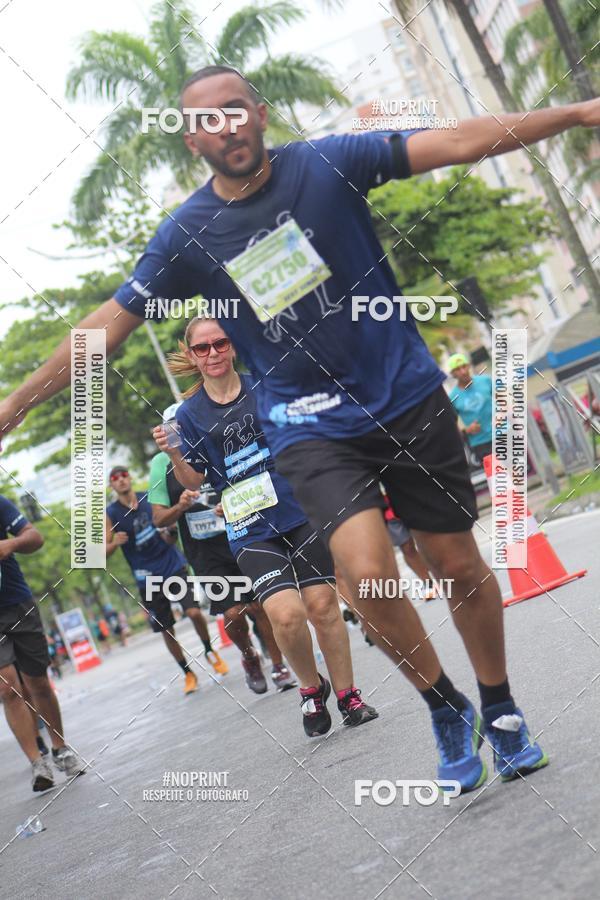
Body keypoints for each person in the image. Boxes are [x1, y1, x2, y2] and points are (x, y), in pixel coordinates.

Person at [5, 69, 597, 787]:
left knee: (459, 564)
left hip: (404, 395)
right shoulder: (186, 233)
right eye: (207, 120)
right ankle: (444, 704)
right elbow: (104, 329)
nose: (225, 126)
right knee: (368, 574)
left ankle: (499, 706)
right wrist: (14, 406)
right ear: (192, 140)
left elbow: (459, 140)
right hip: (307, 426)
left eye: (235, 110)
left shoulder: (328, 164)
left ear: (258, 113)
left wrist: (576, 112)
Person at [153, 317, 378, 737]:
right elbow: (194, 481)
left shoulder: (267, 386)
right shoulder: (189, 414)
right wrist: (175, 454)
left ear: (233, 346)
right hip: (249, 525)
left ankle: (348, 696)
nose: (213, 353)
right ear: (191, 357)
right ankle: (312, 689)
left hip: (299, 510)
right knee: (286, 615)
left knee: (323, 607)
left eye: (220, 343)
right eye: (202, 348)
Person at [149, 411, 296, 694]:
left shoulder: (209, 442)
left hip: (239, 533)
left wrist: (230, 504)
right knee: (233, 612)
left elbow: (244, 481)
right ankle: (250, 655)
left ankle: (278, 665)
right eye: (169, 429)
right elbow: (159, 519)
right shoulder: (159, 464)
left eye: (179, 427)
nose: (175, 433)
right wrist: (180, 506)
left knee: (258, 606)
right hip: (204, 553)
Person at [0, 494, 85, 791]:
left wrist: (10, 544)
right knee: (7, 688)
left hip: (17, 604)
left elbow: (34, 537)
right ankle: (38, 763)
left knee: (38, 684)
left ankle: (60, 748)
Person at [106, 466, 215, 694]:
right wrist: (114, 543)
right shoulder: (111, 513)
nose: (121, 480)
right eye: (115, 479)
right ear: (112, 486)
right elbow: (100, 552)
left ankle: (208, 649)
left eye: (124, 475)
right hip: (146, 577)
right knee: (166, 628)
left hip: (172, 565)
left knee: (194, 612)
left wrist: (171, 533)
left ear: (130, 477)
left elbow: (171, 523)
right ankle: (187, 672)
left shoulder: (150, 497)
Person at [448, 354, 494, 467]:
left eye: (464, 366)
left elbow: (503, 400)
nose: (463, 371)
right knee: (498, 481)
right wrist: (467, 430)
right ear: (453, 374)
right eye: (458, 369)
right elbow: (450, 426)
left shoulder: (485, 380)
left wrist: (502, 414)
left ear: (469, 366)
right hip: (481, 443)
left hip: (502, 434)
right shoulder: (453, 397)